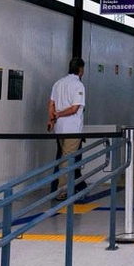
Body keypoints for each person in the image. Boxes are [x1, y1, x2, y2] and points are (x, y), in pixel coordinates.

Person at [48, 57, 86, 200]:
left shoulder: (58, 83)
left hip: (60, 129)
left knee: (64, 158)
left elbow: (51, 104)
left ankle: (78, 187)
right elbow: (75, 108)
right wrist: (59, 114)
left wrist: (52, 119)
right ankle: (62, 191)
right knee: (67, 160)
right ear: (81, 69)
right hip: (72, 129)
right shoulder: (78, 85)